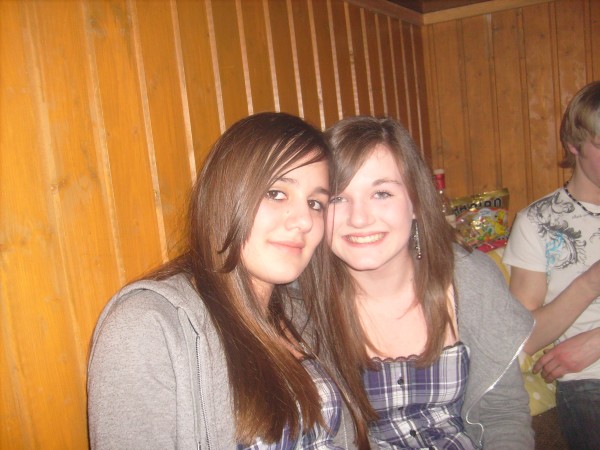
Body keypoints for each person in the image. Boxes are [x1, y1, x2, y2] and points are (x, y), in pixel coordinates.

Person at [87, 112, 370, 449]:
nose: (304, 221)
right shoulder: (147, 326)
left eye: (315, 203)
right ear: (226, 195)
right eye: (276, 193)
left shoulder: (301, 315)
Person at [322, 116, 534, 449]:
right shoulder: (302, 305)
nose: (359, 218)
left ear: (416, 202)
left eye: (381, 193)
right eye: (337, 198)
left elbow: (503, 413)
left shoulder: (470, 278)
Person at [503, 81, 600, 449]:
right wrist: (591, 282)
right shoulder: (537, 222)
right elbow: (524, 337)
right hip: (590, 384)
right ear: (574, 144)